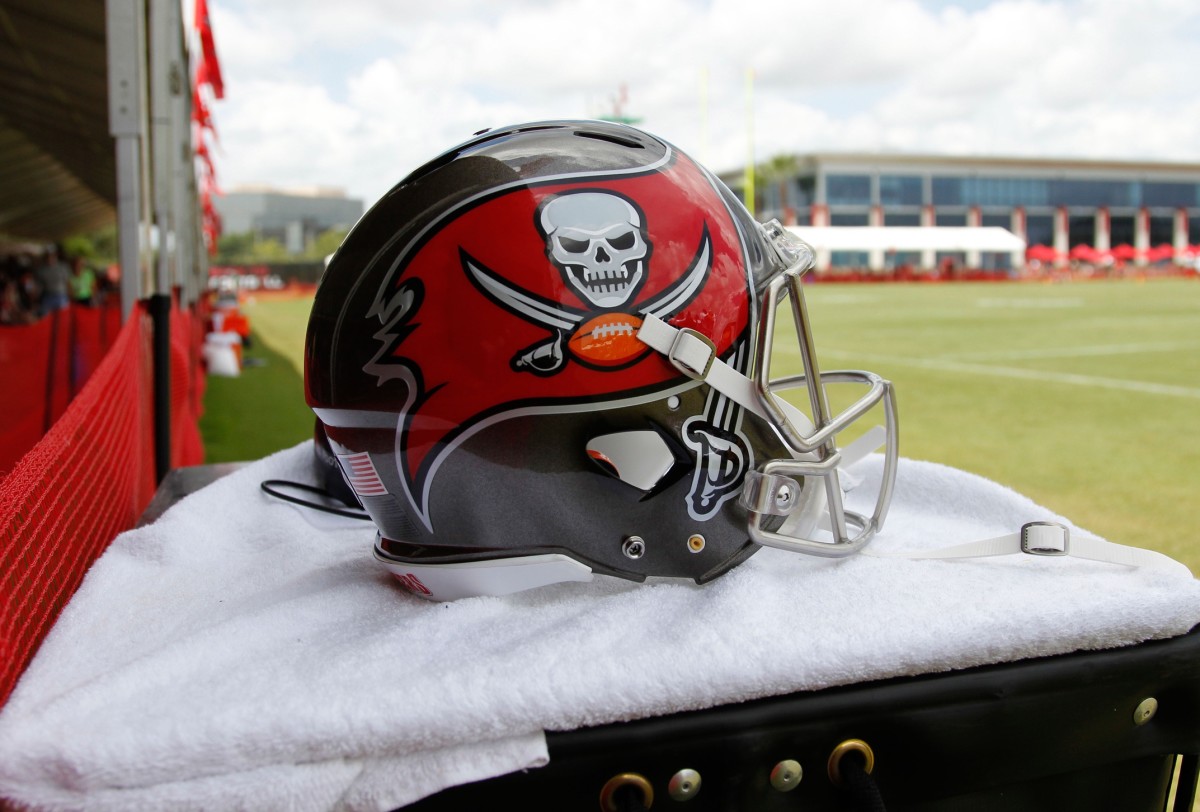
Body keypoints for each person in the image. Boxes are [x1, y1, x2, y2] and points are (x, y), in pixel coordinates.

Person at [34, 245, 71, 316]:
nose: (50, 257)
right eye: (48, 255)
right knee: (45, 316)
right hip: (48, 296)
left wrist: (69, 296)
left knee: (62, 317)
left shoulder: (63, 267)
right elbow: (38, 285)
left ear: (55, 255)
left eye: (52, 255)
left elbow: (67, 282)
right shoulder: (41, 270)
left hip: (61, 296)